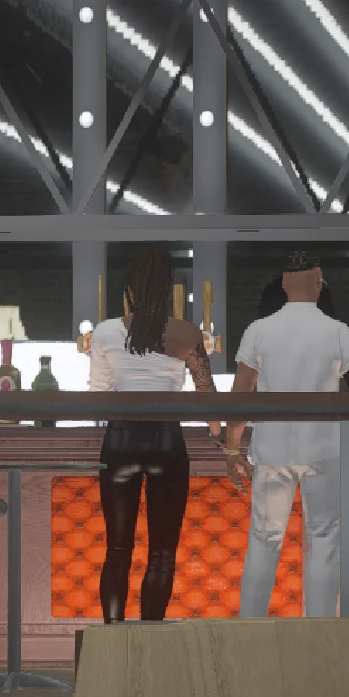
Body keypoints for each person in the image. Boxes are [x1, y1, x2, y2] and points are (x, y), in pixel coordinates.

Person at [224, 251, 349, 618]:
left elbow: (240, 395)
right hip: (324, 448)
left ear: (284, 284)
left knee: (264, 538)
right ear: (319, 285)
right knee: (324, 539)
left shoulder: (259, 330)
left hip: (272, 449)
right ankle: (319, 627)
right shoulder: (338, 331)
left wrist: (232, 449)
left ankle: (251, 625)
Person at [89, 246, 218, 623]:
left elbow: (97, 395)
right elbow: (206, 393)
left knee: (117, 550)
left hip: (120, 438)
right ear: (168, 290)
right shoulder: (187, 333)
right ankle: (150, 636)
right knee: (162, 553)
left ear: (129, 290)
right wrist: (221, 438)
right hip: (166, 439)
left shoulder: (105, 332)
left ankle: (113, 637)